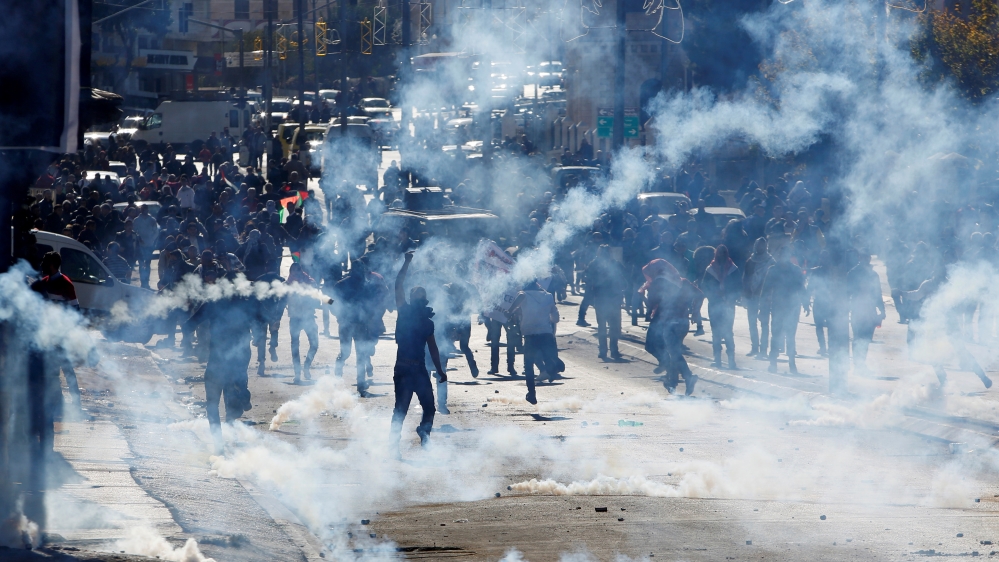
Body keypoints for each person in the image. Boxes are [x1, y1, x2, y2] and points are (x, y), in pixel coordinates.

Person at [184, 265, 253, 452]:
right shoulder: (246, 301)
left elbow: (189, 325)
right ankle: (242, 395)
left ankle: (219, 445)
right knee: (232, 401)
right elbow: (265, 318)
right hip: (239, 360)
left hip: (218, 361)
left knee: (212, 403)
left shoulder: (213, 302)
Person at [390, 252, 446, 456]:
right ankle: (392, 445)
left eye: (422, 295)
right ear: (413, 298)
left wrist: (440, 370)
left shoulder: (427, 323)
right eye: (417, 294)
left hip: (419, 369)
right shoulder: (403, 311)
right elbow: (398, 285)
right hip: (404, 368)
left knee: (430, 408)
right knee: (400, 411)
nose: (419, 297)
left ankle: (424, 433)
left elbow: (433, 347)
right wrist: (406, 262)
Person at [642, 258, 702, 394]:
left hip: (666, 320)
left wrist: (645, 298)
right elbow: (700, 294)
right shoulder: (683, 281)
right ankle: (673, 380)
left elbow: (652, 303)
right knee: (673, 351)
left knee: (658, 348)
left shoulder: (658, 283)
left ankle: (682, 374)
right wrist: (695, 312)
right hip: (682, 321)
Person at [509, 280, 561, 405]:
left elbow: (520, 296)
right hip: (546, 333)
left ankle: (531, 393)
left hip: (530, 334)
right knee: (547, 356)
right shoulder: (548, 296)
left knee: (528, 366)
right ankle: (552, 369)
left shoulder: (524, 294)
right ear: (537, 284)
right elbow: (556, 318)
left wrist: (509, 311)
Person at [762, 243, 809, 374]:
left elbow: (801, 287)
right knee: (776, 334)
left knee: (790, 336)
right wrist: (763, 307)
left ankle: (792, 363)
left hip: (792, 307)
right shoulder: (773, 270)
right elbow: (765, 290)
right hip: (777, 307)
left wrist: (806, 303)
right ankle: (773, 363)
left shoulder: (795, 270)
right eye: (782, 254)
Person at [700, 245, 741, 369]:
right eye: (719, 253)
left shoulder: (733, 269)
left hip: (728, 303)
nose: (721, 255)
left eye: (724, 253)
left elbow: (738, 286)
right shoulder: (710, 269)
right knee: (716, 332)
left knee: (728, 332)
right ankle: (717, 359)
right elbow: (704, 286)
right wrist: (714, 294)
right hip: (715, 303)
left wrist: (729, 295)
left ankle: (731, 361)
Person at [846, 253, 885, 376]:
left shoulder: (873, 275)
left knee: (866, 339)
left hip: (870, 311)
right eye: (863, 257)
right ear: (859, 258)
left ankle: (861, 364)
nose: (866, 259)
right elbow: (847, 292)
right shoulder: (853, 273)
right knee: (858, 338)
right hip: (857, 310)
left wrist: (882, 310)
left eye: (867, 257)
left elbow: (878, 293)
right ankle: (858, 365)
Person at [587, 245, 625, 360]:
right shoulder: (613, 264)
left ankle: (605, 351)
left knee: (604, 327)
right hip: (609, 298)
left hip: (605, 299)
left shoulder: (594, 264)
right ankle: (611, 350)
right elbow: (624, 280)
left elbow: (588, 281)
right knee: (611, 326)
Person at [285, 263, 321, 384]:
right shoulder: (287, 284)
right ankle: (297, 373)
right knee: (295, 346)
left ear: (301, 271)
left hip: (308, 318)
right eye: (293, 272)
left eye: (297, 271)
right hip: (295, 319)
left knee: (314, 344)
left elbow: (317, 299)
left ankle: (306, 367)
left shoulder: (310, 282)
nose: (295, 274)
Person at [742, 237, 774, 358]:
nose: (759, 247)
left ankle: (763, 350)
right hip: (751, 296)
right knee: (752, 322)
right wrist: (745, 292)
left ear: (765, 246)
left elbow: (770, 280)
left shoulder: (770, 261)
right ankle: (754, 347)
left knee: (764, 323)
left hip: (764, 297)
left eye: (761, 245)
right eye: (757, 245)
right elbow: (746, 277)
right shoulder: (750, 260)